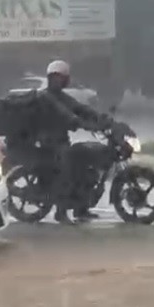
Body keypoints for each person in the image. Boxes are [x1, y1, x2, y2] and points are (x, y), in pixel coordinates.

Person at [33, 59, 113, 223]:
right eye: (57, 77)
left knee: (85, 162)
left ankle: (81, 209)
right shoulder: (45, 96)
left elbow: (79, 108)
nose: (59, 80)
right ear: (50, 78)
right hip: (48, 144)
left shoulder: (61, 96)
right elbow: (66, 115)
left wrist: (100, 117)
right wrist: (82, 123)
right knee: (68, 168)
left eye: (61, 77)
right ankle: (61, 212)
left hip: (60, 141)